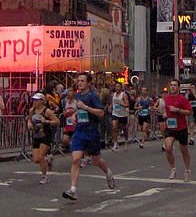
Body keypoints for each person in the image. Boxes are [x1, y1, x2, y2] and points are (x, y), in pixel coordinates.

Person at [62, 73, 115, 201]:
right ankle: (73, 190)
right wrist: (75, 115)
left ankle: (108, 172)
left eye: (82, 81)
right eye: (78, 81)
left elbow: (101, 113)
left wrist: (85, 107)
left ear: (88, 83)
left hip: (92, 132)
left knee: (96, 160)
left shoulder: (93, 96)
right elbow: (79, 110)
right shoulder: (77, 95)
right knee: (76, 159)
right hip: (80, 131)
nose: (79, 83)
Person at [163, 79, 192, 182]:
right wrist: (165, 114)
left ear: (178, 87)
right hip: (170, 127)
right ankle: (173, 168)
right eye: (171, 85)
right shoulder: (166, 99)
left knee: (184, 150)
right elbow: (165, 110)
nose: (172, 87)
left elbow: (189, 112)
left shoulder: (183, 99)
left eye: (175, 85)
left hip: (181, 128)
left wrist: (178, 110)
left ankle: (187, 170)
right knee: (168, 148)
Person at [28, 93, 59, 185]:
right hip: (35, 135)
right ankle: (48, 159)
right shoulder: (32, 110)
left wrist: (46, 121)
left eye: (36, 100)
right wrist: (29, 123)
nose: (34, 102)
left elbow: (57, 121)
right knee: (36, 159)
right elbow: (29, 119)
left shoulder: (47, 111)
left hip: (45, 135)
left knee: (41, 156)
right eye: (33, 100)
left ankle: (44, 177)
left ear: (42, 101)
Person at [110, 82, 130, 150]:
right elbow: (112, 103)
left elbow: (127, 105)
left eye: (119, 87)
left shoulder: (124, 95)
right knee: (114, 127)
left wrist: (122, 104)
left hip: (123, 114)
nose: (117, 88)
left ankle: (126, 141)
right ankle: (115, 143)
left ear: (121, 88)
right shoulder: (113, 94)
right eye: (116, 86)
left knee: (124, 128)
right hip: (115, 113)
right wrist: (111, 107)